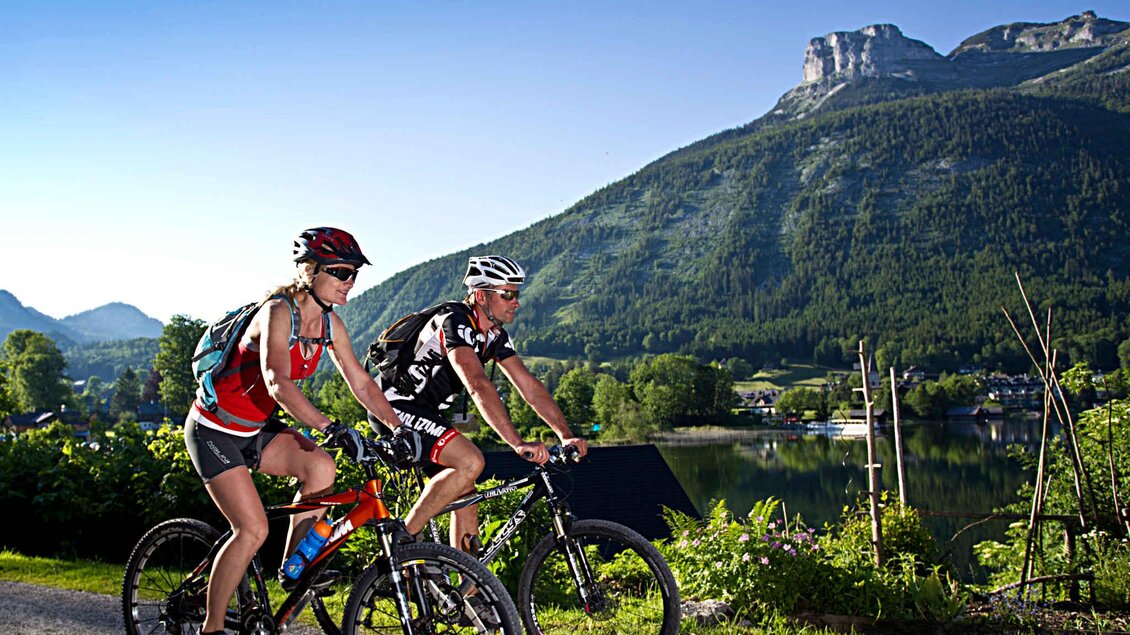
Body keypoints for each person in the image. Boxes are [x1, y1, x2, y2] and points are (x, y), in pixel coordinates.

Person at [183, 227, 402, 635]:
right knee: (252, 529)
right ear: (310, 271)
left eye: (354, 273)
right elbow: (276, 381)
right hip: (214, 430)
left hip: (257, 429)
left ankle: (293, 567)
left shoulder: (331, 324)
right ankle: (211, 628)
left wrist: (398, 427)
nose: (349, 281)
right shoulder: (278, 311)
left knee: (321, 467)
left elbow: (361, 382)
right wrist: (327, 425)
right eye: (339, 272)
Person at [368, 254, 588, 554]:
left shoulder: (494, 335)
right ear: (481, 295)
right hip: (394, 407)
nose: (516, 302)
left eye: (516, 294)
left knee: (467, 497)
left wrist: (565, 434)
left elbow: (528, 386)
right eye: (507, 294)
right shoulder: (455, 321)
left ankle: (469, 595)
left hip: (424, 412)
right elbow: (476, 382)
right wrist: (516, 442)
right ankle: (403, 539)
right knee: (471, 461)